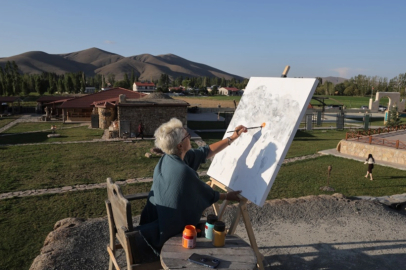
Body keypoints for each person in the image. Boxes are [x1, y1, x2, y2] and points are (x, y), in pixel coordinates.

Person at [137, 118, 247, 257]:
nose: (190, 137)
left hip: (155, 220)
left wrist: (232, 138)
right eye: (187, 136)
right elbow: (204, 194)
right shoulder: (183, 171)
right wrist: (226, 196)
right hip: (165, 233)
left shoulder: (168, 158)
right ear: (180, 146)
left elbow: (205, 152)